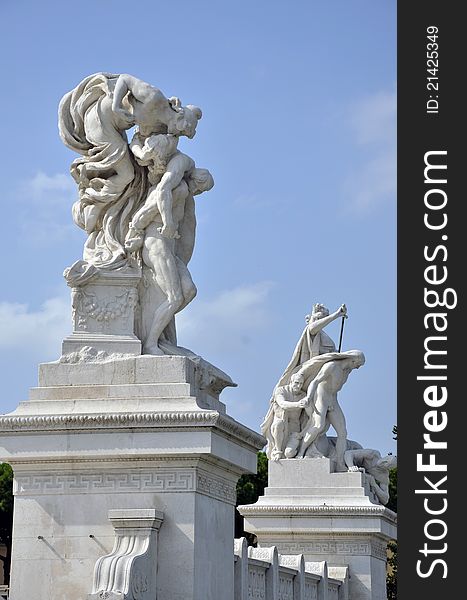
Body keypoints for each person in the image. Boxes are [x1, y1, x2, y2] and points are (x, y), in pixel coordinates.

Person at [123, 132, 214, 354]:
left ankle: (158, 327)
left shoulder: (179, 191)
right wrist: (166, 223)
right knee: (174, 297)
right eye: (201, 189)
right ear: (196, 181)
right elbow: (142, 215)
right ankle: (151, 342)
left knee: (189, 291)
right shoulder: (172, 189)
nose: (199, 193)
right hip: (156, 245)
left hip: (168, 248)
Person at [296, 350, 365, 470]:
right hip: (321, 396)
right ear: (353, 360)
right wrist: (308, 397)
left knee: (342, 432)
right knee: (318, 425)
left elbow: (335, 387)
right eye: (359, 364)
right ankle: (301, 452)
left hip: (333, 398)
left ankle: (339, 463)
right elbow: (315, 381)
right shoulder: (331, 366)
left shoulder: (347, 371)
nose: (358, 367)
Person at [275, 303, 347, 388]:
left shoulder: (321, 335)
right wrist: (337, 314)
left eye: (321, 318)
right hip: (309, 371)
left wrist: (336, 354)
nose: (319, 320)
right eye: (317, 318)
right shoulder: (310, 330)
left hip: (321, 372)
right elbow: (312, 328)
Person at [261, 372, 308, 461]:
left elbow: (311, 412)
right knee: (278, 423)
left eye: (301, 384)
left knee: (289, 453)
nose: (298, 386)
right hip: (280, 426)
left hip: (294, 430)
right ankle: (278, 451)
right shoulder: (280, 390)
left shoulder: (303, 395)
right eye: (296, 383)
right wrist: (298, 404)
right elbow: (282, 404)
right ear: (291, 381)